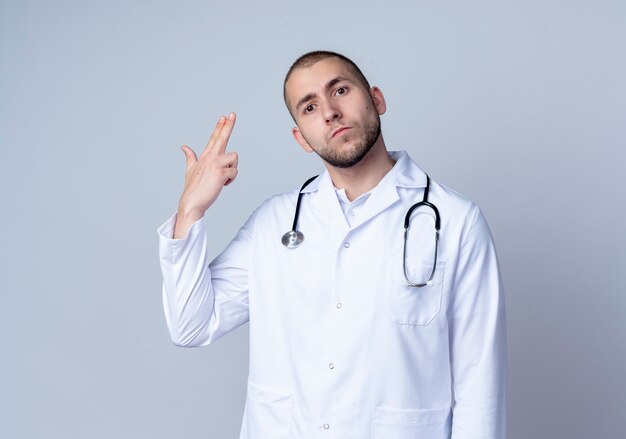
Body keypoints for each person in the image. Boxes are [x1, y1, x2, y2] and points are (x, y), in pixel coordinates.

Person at [157, 50, 506, 439]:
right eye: (309, 107)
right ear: (301, 138)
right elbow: (191, 325)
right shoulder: (273, 223)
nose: (329, 112)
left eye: (340, 89)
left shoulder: (455, 221)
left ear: (377, 99)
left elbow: (479, 383)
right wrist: (190, 209)